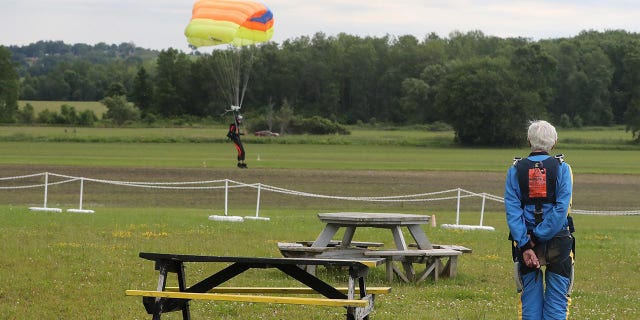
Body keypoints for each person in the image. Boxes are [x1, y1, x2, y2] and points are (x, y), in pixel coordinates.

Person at [504, 120, 575, 320]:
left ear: (529, 141)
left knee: (530, 304)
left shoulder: (515, 170)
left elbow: (512, 210)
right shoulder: (563, 168)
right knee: (558, 302)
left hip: (524, 241)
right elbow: (562, 208)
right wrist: (538, 237)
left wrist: (526, 243)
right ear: (554, 143)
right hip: (558, 241)